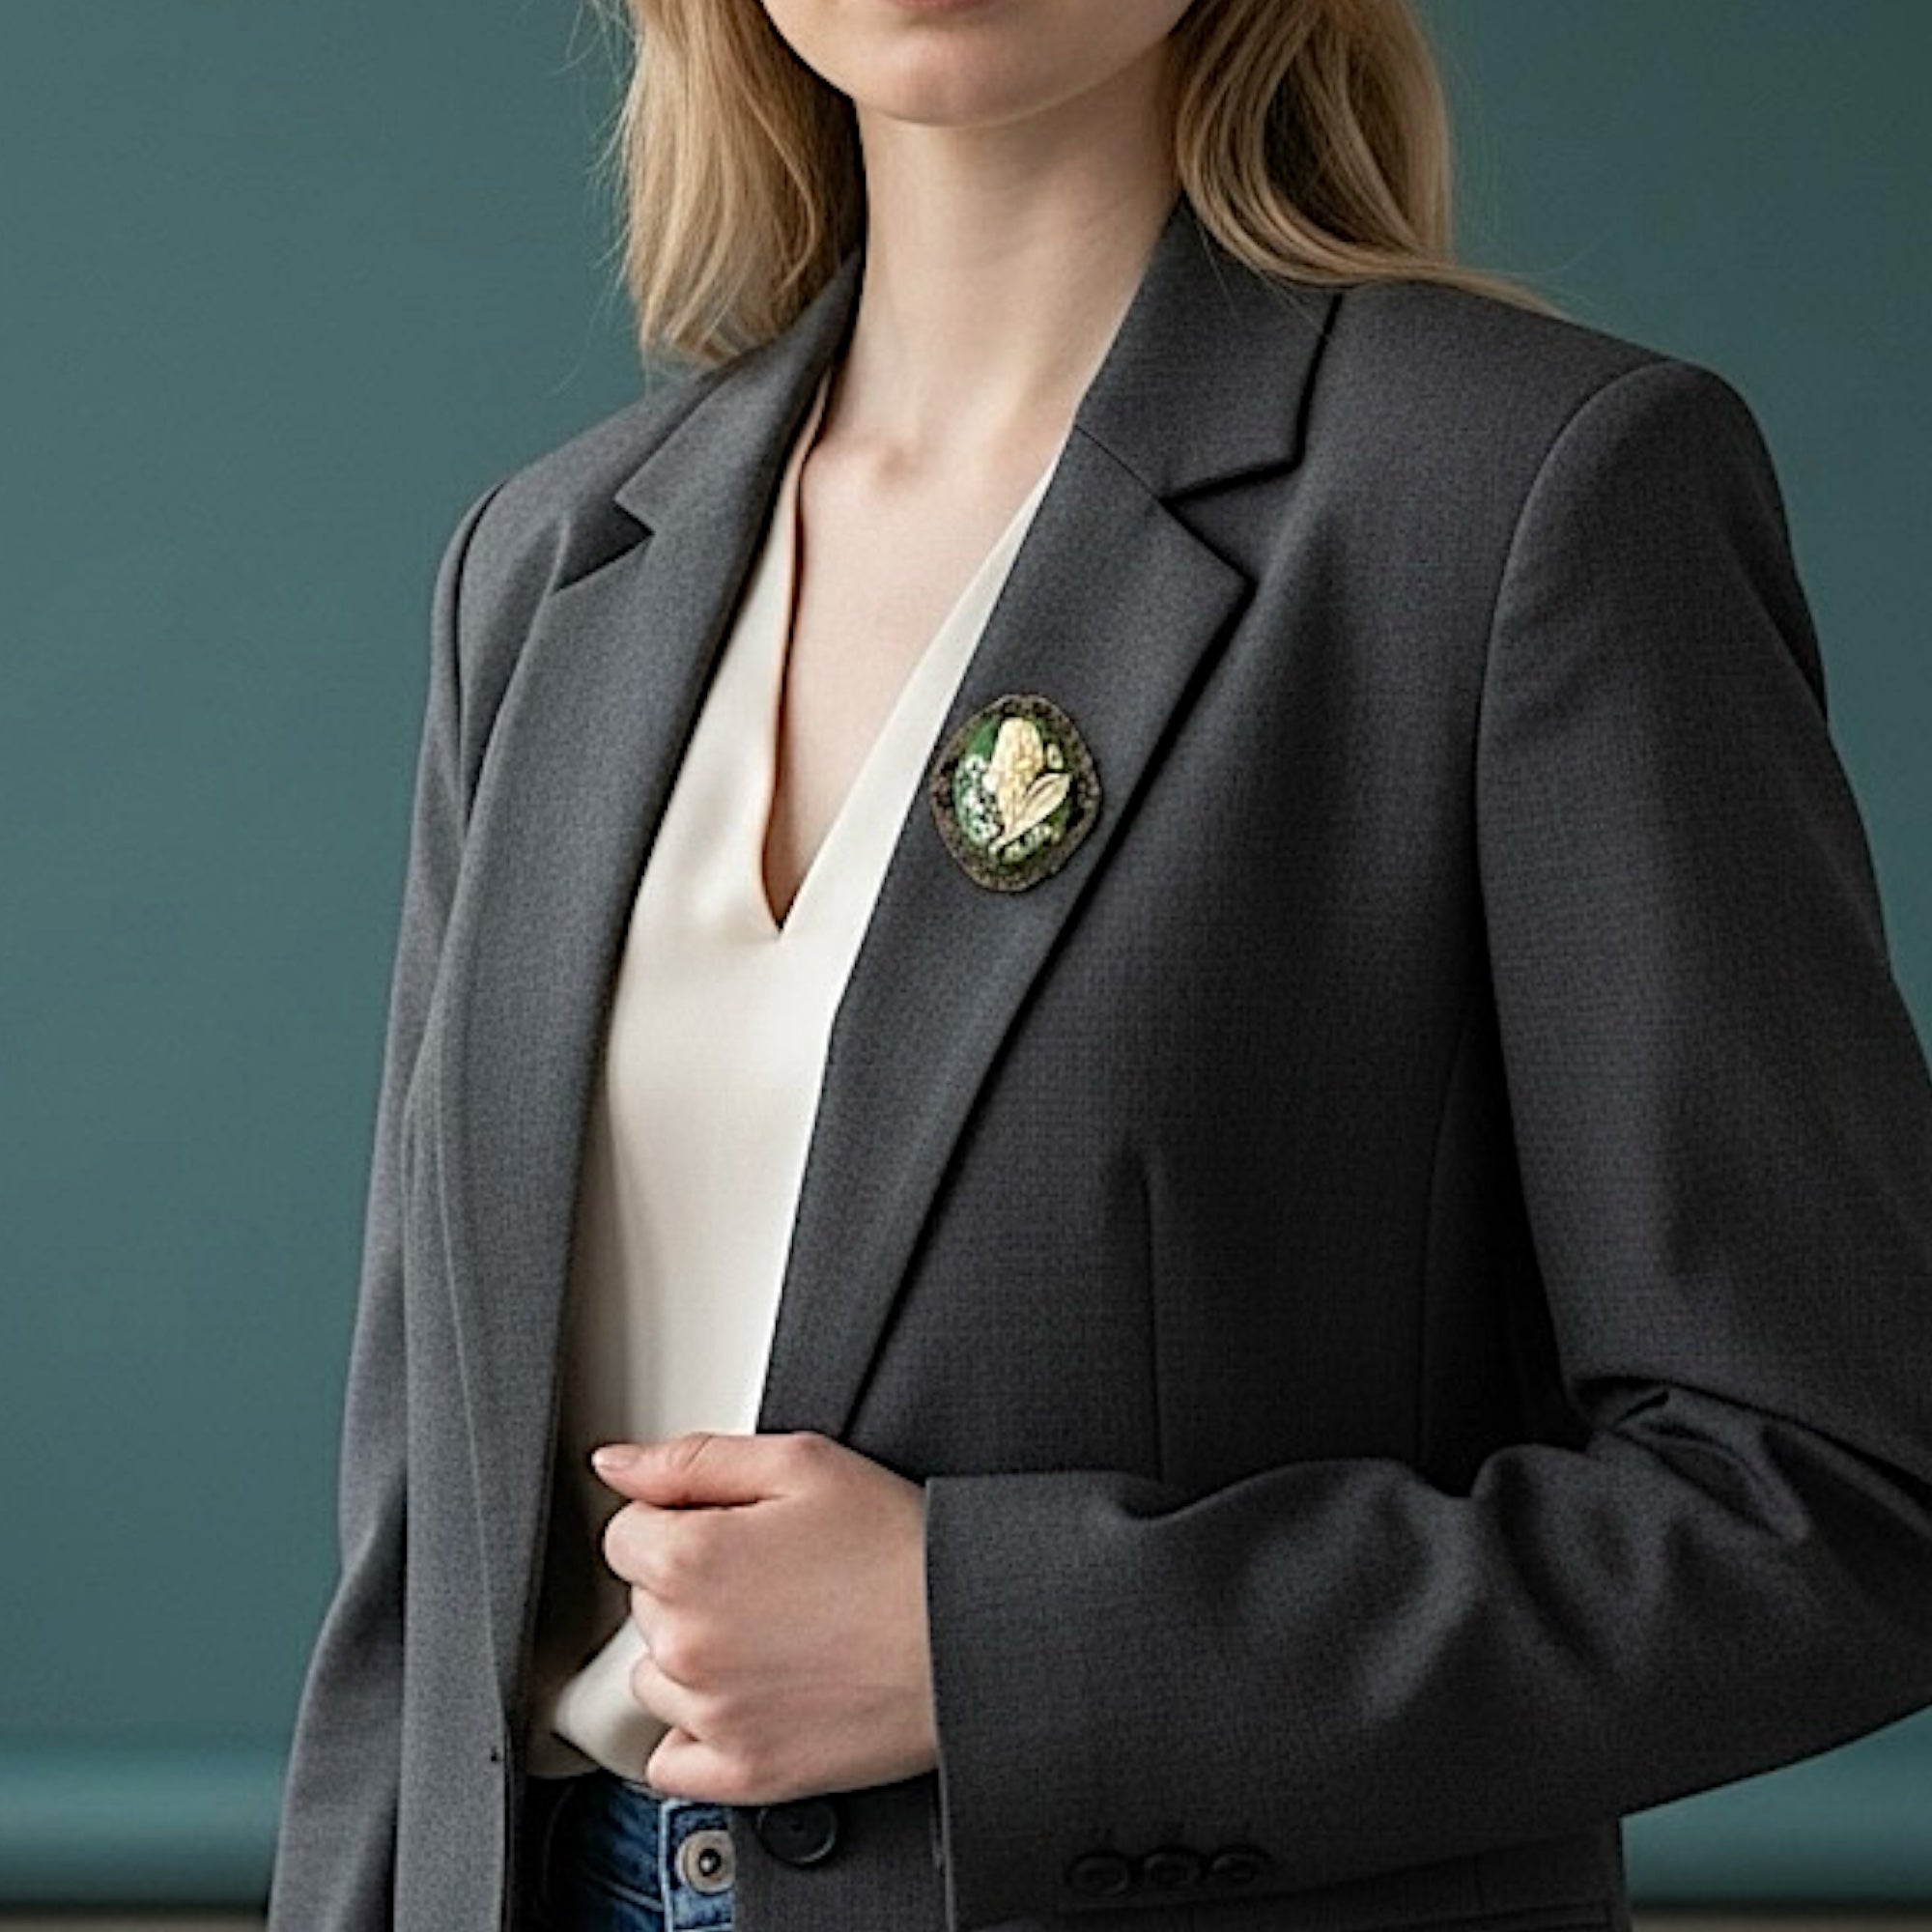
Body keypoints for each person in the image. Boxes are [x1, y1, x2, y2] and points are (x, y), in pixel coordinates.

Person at [266, 1, 1932, 1929]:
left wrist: (990, 1643)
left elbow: (1839, 1497)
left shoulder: (1523, 498)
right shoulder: (550, 567)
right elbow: (416, 1577)